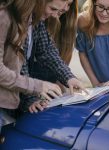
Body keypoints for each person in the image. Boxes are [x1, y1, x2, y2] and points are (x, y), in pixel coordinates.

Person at [0, 0, 63, 132]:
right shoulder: (4, 15)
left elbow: (19, 67)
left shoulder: (27, 18)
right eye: (52, 8)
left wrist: (30, 99)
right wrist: (39, 86)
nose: (54, 15)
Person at [20, 0, 87, 113]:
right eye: (53, 9)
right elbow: (19, 65)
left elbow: (47, 51)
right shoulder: (15, 20)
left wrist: (69, 78)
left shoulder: (36, 20)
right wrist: (31, 98)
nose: (56, 15)